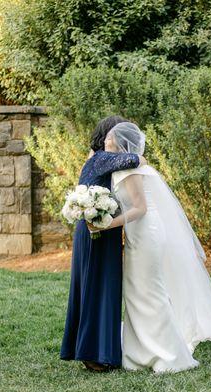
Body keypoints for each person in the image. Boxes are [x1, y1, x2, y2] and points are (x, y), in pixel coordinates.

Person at [91, 122, 211, 373]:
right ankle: (140, 352)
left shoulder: (130, 170)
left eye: (110, 138)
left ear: (121, 143)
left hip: (146, 232)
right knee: (137, 291)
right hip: (140, 233)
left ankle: (168, 354)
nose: (105, 141)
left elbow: (140, 208)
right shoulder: (127, 166)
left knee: (148, 291)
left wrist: (109, 224)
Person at [60, 116, 144, 372]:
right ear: (108, 136)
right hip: (96, 230)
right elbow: (134, 159)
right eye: (116, 134)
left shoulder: (96, 158)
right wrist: (141, 158)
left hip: (99, 229)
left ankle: (96, 350)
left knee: (98, 288)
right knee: (97, 288)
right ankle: (93, 353)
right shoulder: (101, 157)